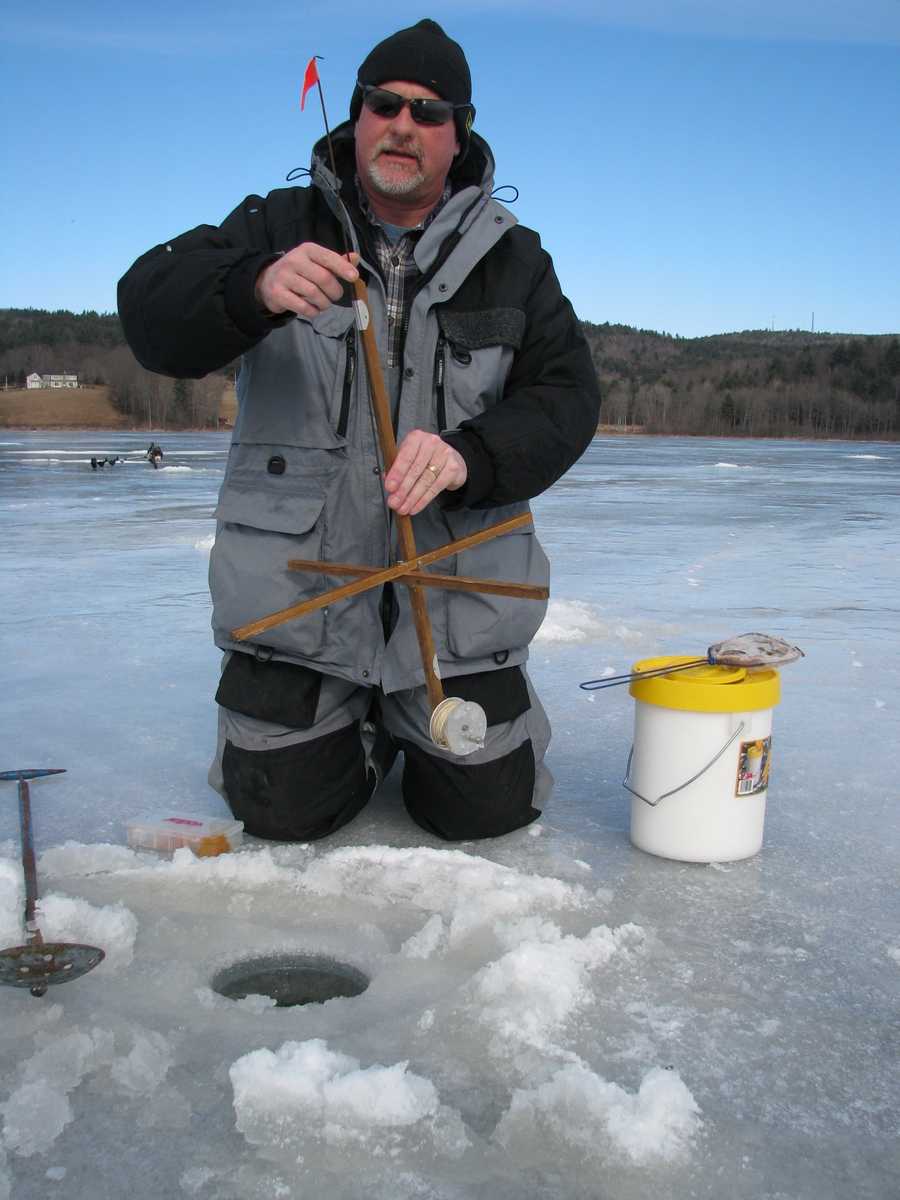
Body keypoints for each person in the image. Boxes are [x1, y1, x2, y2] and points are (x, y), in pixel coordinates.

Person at [118, 18, 601, 844]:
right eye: (384, 104)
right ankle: (363, 734)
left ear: (461, 134)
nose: (404, 124)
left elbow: (568, 395)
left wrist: (471, 455)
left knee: (486, 811)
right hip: (301, 610)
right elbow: (150, 310)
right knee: (280, 810)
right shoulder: (275, 223)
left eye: (430, 111)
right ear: (354, 117)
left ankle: (409, 716)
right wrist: (252, 286)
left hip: (450, 612)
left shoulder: (515, 260)